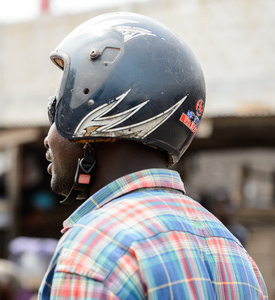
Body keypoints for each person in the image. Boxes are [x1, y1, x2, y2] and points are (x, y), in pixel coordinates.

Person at [40, 12, 267, 299]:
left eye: (56, 111)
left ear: (99, 113)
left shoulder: (92, 250)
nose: (48, 138)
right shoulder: (235, 253)